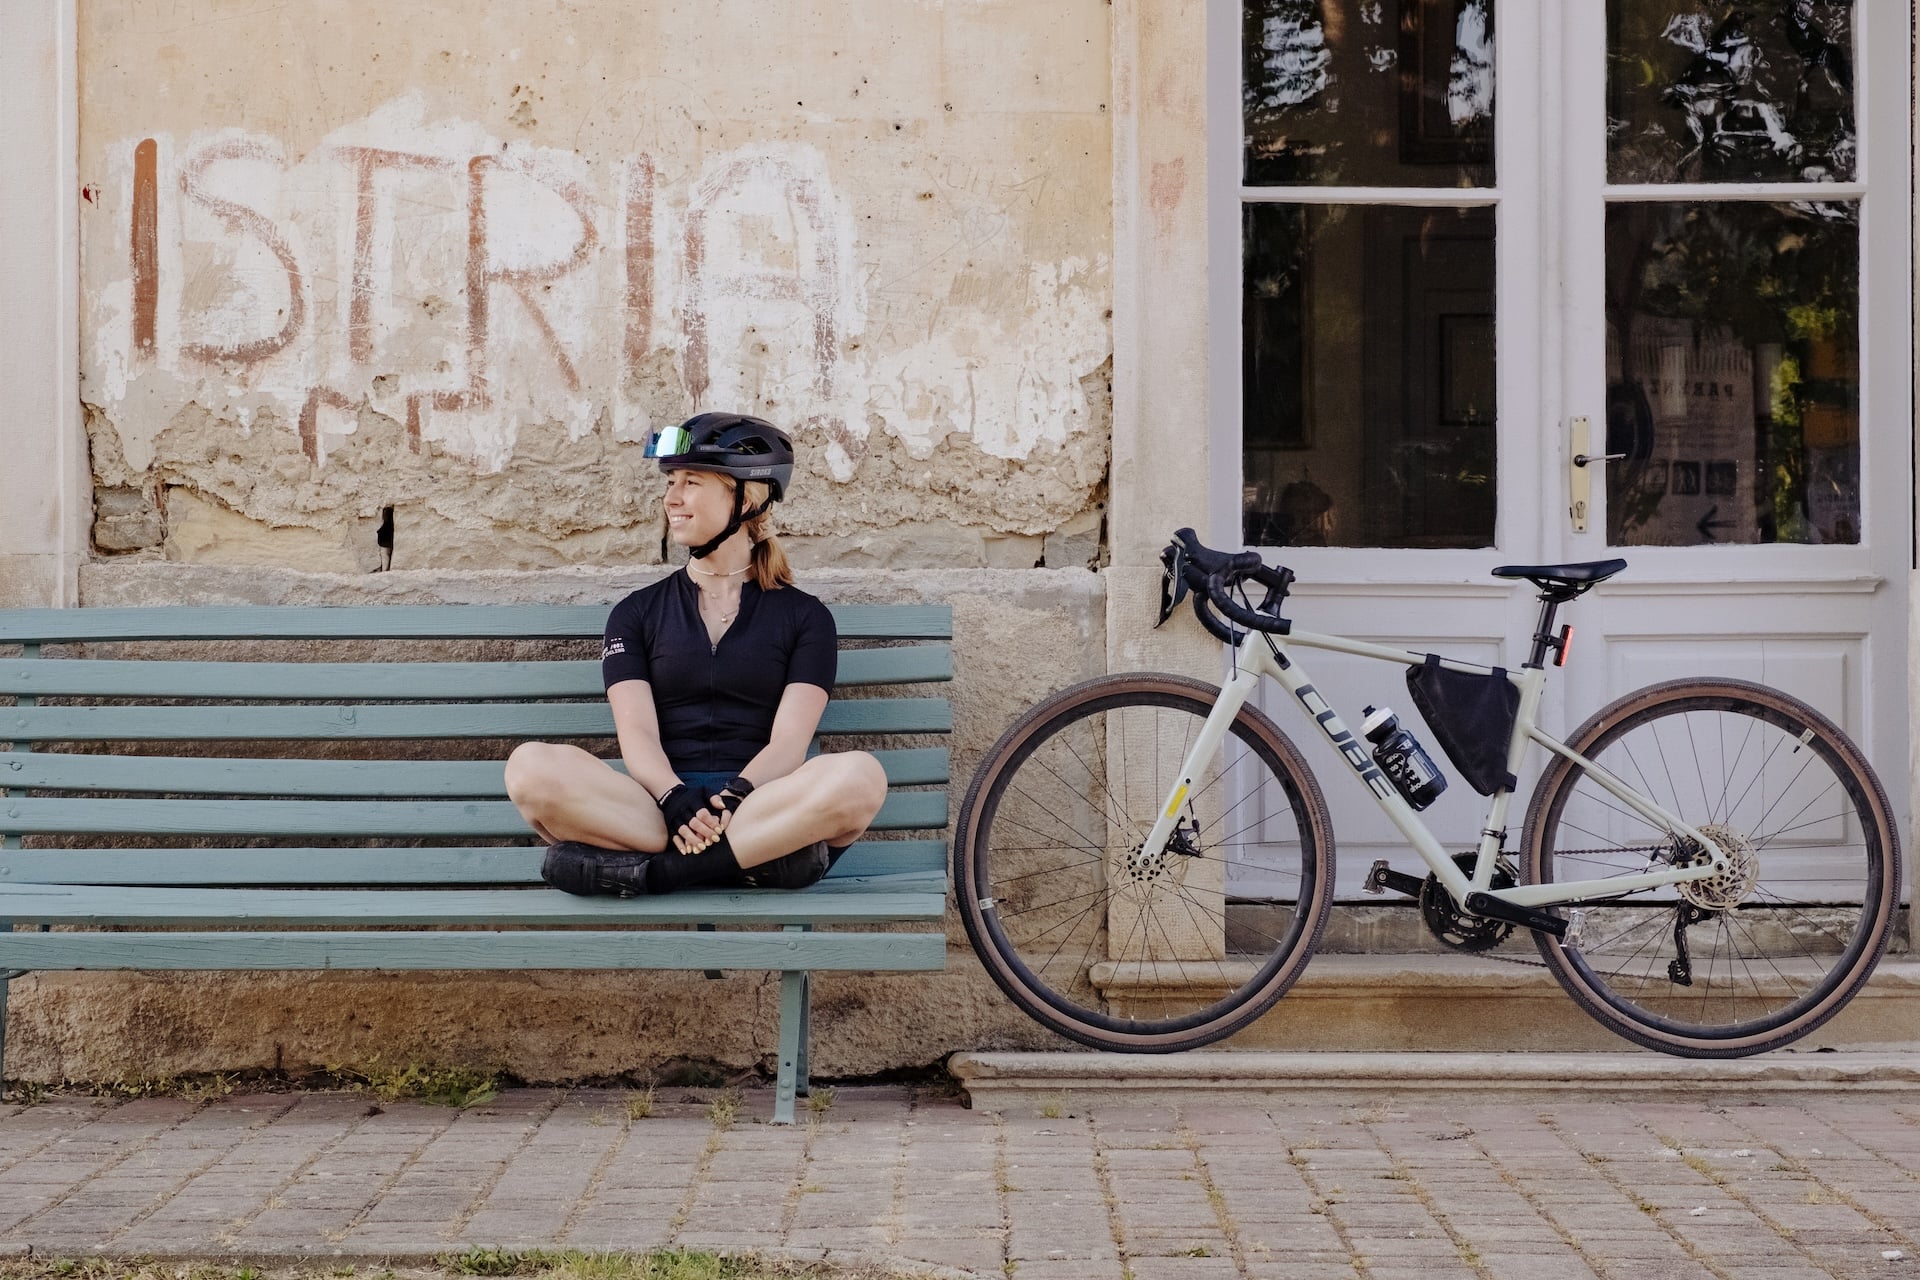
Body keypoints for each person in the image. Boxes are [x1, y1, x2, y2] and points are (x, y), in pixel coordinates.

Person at [504, 413, 888, 896]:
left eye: (691, 481)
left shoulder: (806, 617)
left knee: (862, 777)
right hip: (655, 812)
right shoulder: (635, 613)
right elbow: (637, 733)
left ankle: (664, 874)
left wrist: (732, 800)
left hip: (759, 806)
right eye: (670, 481)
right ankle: (748, 862)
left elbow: (789, 747)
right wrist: (674, 798)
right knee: (529, 768)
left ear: (746, 497)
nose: (671, 498)